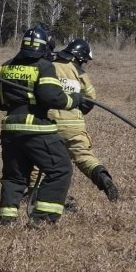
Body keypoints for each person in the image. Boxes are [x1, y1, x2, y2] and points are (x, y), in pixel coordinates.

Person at [0, 24, 88, 225]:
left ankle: (6, 220)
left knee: (14, 177)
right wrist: (75, 99)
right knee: (60, 169)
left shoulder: (6, 66)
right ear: (44, 47)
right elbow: (53, 98)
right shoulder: (44, 67)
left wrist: (18, 100)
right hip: (37, 129)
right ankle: (43, 218)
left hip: (10, 130)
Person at [49, 38, 118, 201]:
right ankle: (102, 176)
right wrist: (78, 111)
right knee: (84, 155)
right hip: (74, 124)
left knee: (42, 158)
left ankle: (35, 192)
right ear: (79, 57)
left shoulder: (49, 67)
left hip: (49, 122)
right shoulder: (80, 73)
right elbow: (90, 98)